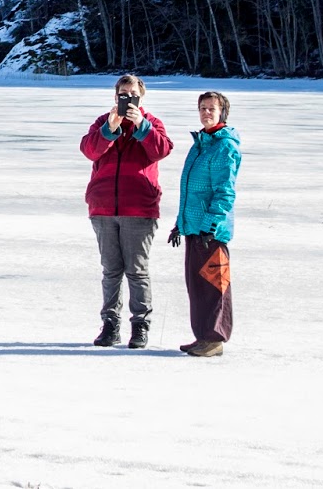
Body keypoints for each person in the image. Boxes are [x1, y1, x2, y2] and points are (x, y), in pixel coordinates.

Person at [79, 73, 172, 349]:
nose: (128, 100)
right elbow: (89, 150)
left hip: (139, 208)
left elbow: (161, 150)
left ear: (141, 98)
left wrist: (141, 125)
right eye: (123, 95)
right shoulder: (103, 122)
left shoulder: (151, 123)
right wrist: (110, 128)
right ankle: (110, 324)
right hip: (104, 207)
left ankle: (140, 325)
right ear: (115, 96)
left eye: (133, 96)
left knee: (137, 271)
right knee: (111, 271)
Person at [167, 89, 242, 358]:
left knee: (214, 286)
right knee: (197, 288)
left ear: (222, 112)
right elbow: (191, 191)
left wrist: (211, 224)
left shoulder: (225, 146)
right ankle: (203, 337)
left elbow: (225, 192)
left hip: (212, 232)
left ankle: (214, 339)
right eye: (202, 108)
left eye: (212, 108)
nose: (206, 112)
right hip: (194, 228)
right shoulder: (200, 144)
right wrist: (181, 224)